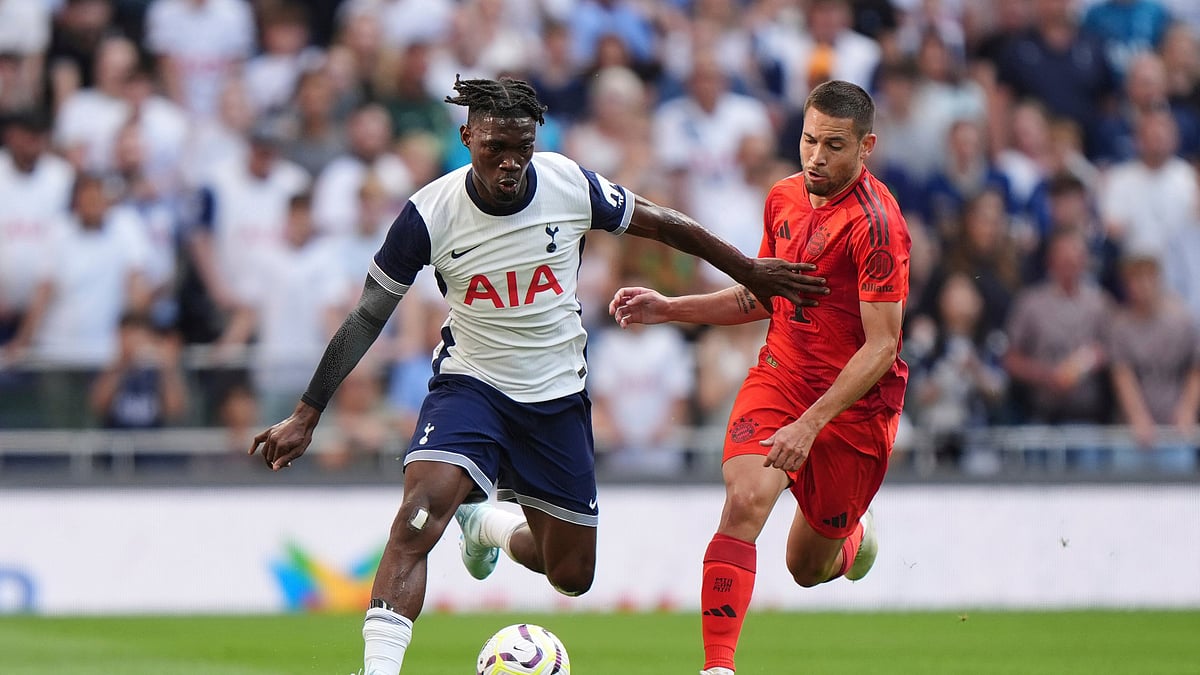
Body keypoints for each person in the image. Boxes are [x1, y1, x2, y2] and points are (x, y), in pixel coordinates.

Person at [248, 76, 826, 675]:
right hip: (471, 386)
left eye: (521, 148)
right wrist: (308, 412)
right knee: (419, 516)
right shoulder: (429, 213)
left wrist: (751, 270)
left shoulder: (566, 182)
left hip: (556, 396)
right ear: (467, 136)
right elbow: (368, 315)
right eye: (495, 147)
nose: (509, 163)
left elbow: (665, 223)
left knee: (572, 574)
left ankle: (490, 525)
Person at [609, 80, 911, 675]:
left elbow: (883, 346)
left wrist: (811, 423)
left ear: (866, 146)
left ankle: (853, 538)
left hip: (853, 409)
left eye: (833, 146)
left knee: (807, 568)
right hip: (781, 373)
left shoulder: (878, 226)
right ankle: (719, 668)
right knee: (745, 500)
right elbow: (761, 298)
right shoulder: (782, 198)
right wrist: (671, 308)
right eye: (807, 140)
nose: (816, 157)